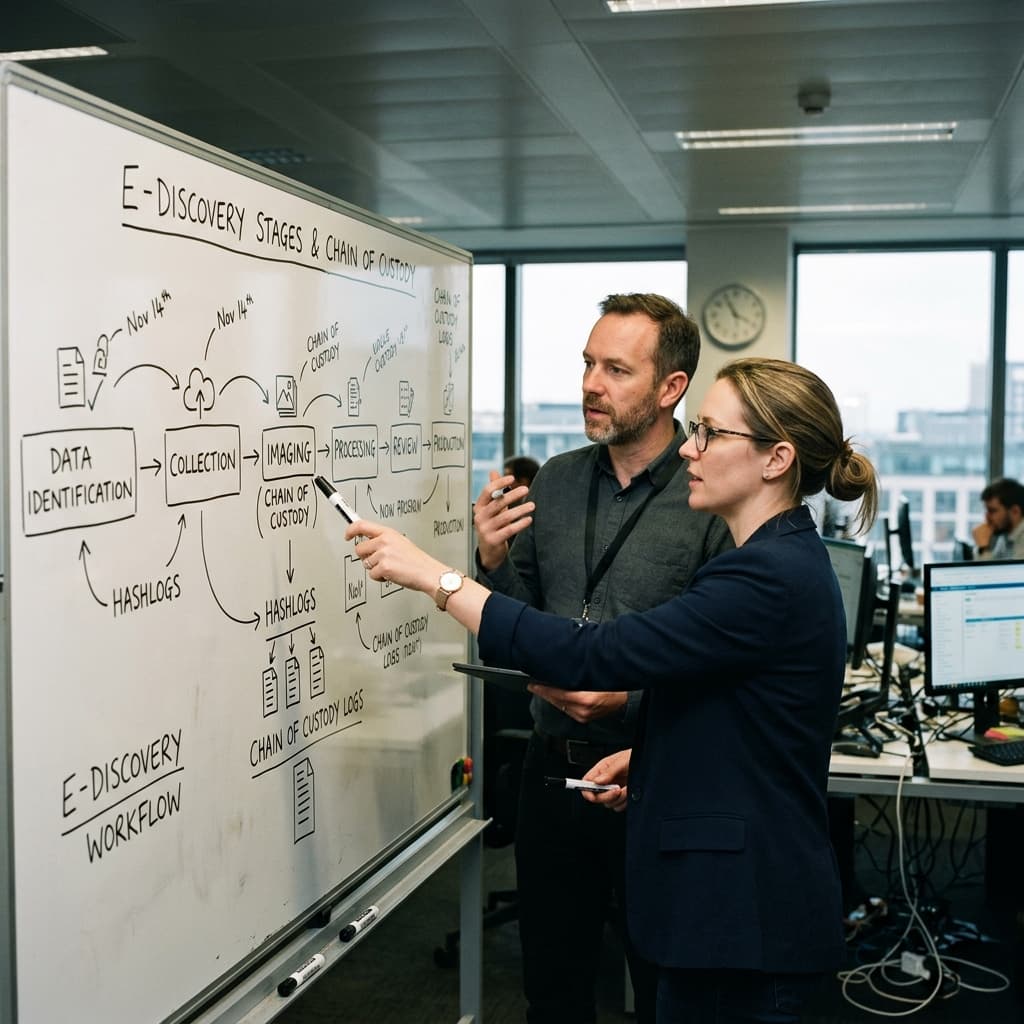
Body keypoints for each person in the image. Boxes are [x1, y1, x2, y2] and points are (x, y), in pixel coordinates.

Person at [345, 356, 880, 1024]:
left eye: (712, 433)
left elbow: (592, 654)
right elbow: (735, 710)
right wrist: (655, 755)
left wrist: (437, 579)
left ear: (776, 459)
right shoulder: (778, 561)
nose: (691, 446)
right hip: (740, 918)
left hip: (744, 927)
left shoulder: (765, 578)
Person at [476, 293, 732, 1023]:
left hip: (657, 773)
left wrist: (630, 703)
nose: (591, 384)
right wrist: (492, 561)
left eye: (616, 369)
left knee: (664, 985)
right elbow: (518, 618)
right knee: (553, 984)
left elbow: (722, 655)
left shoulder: (710, 491)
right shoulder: (555, 480)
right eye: (588, 364)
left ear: (670, 388)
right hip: (552, 766)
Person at [972, 477, 1024, 559]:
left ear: (1015, 511)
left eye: (992, 511)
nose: (987, 517)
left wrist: (983, 547)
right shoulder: (1005, 536)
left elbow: (991, 571)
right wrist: (982, 549)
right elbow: (995, 565)